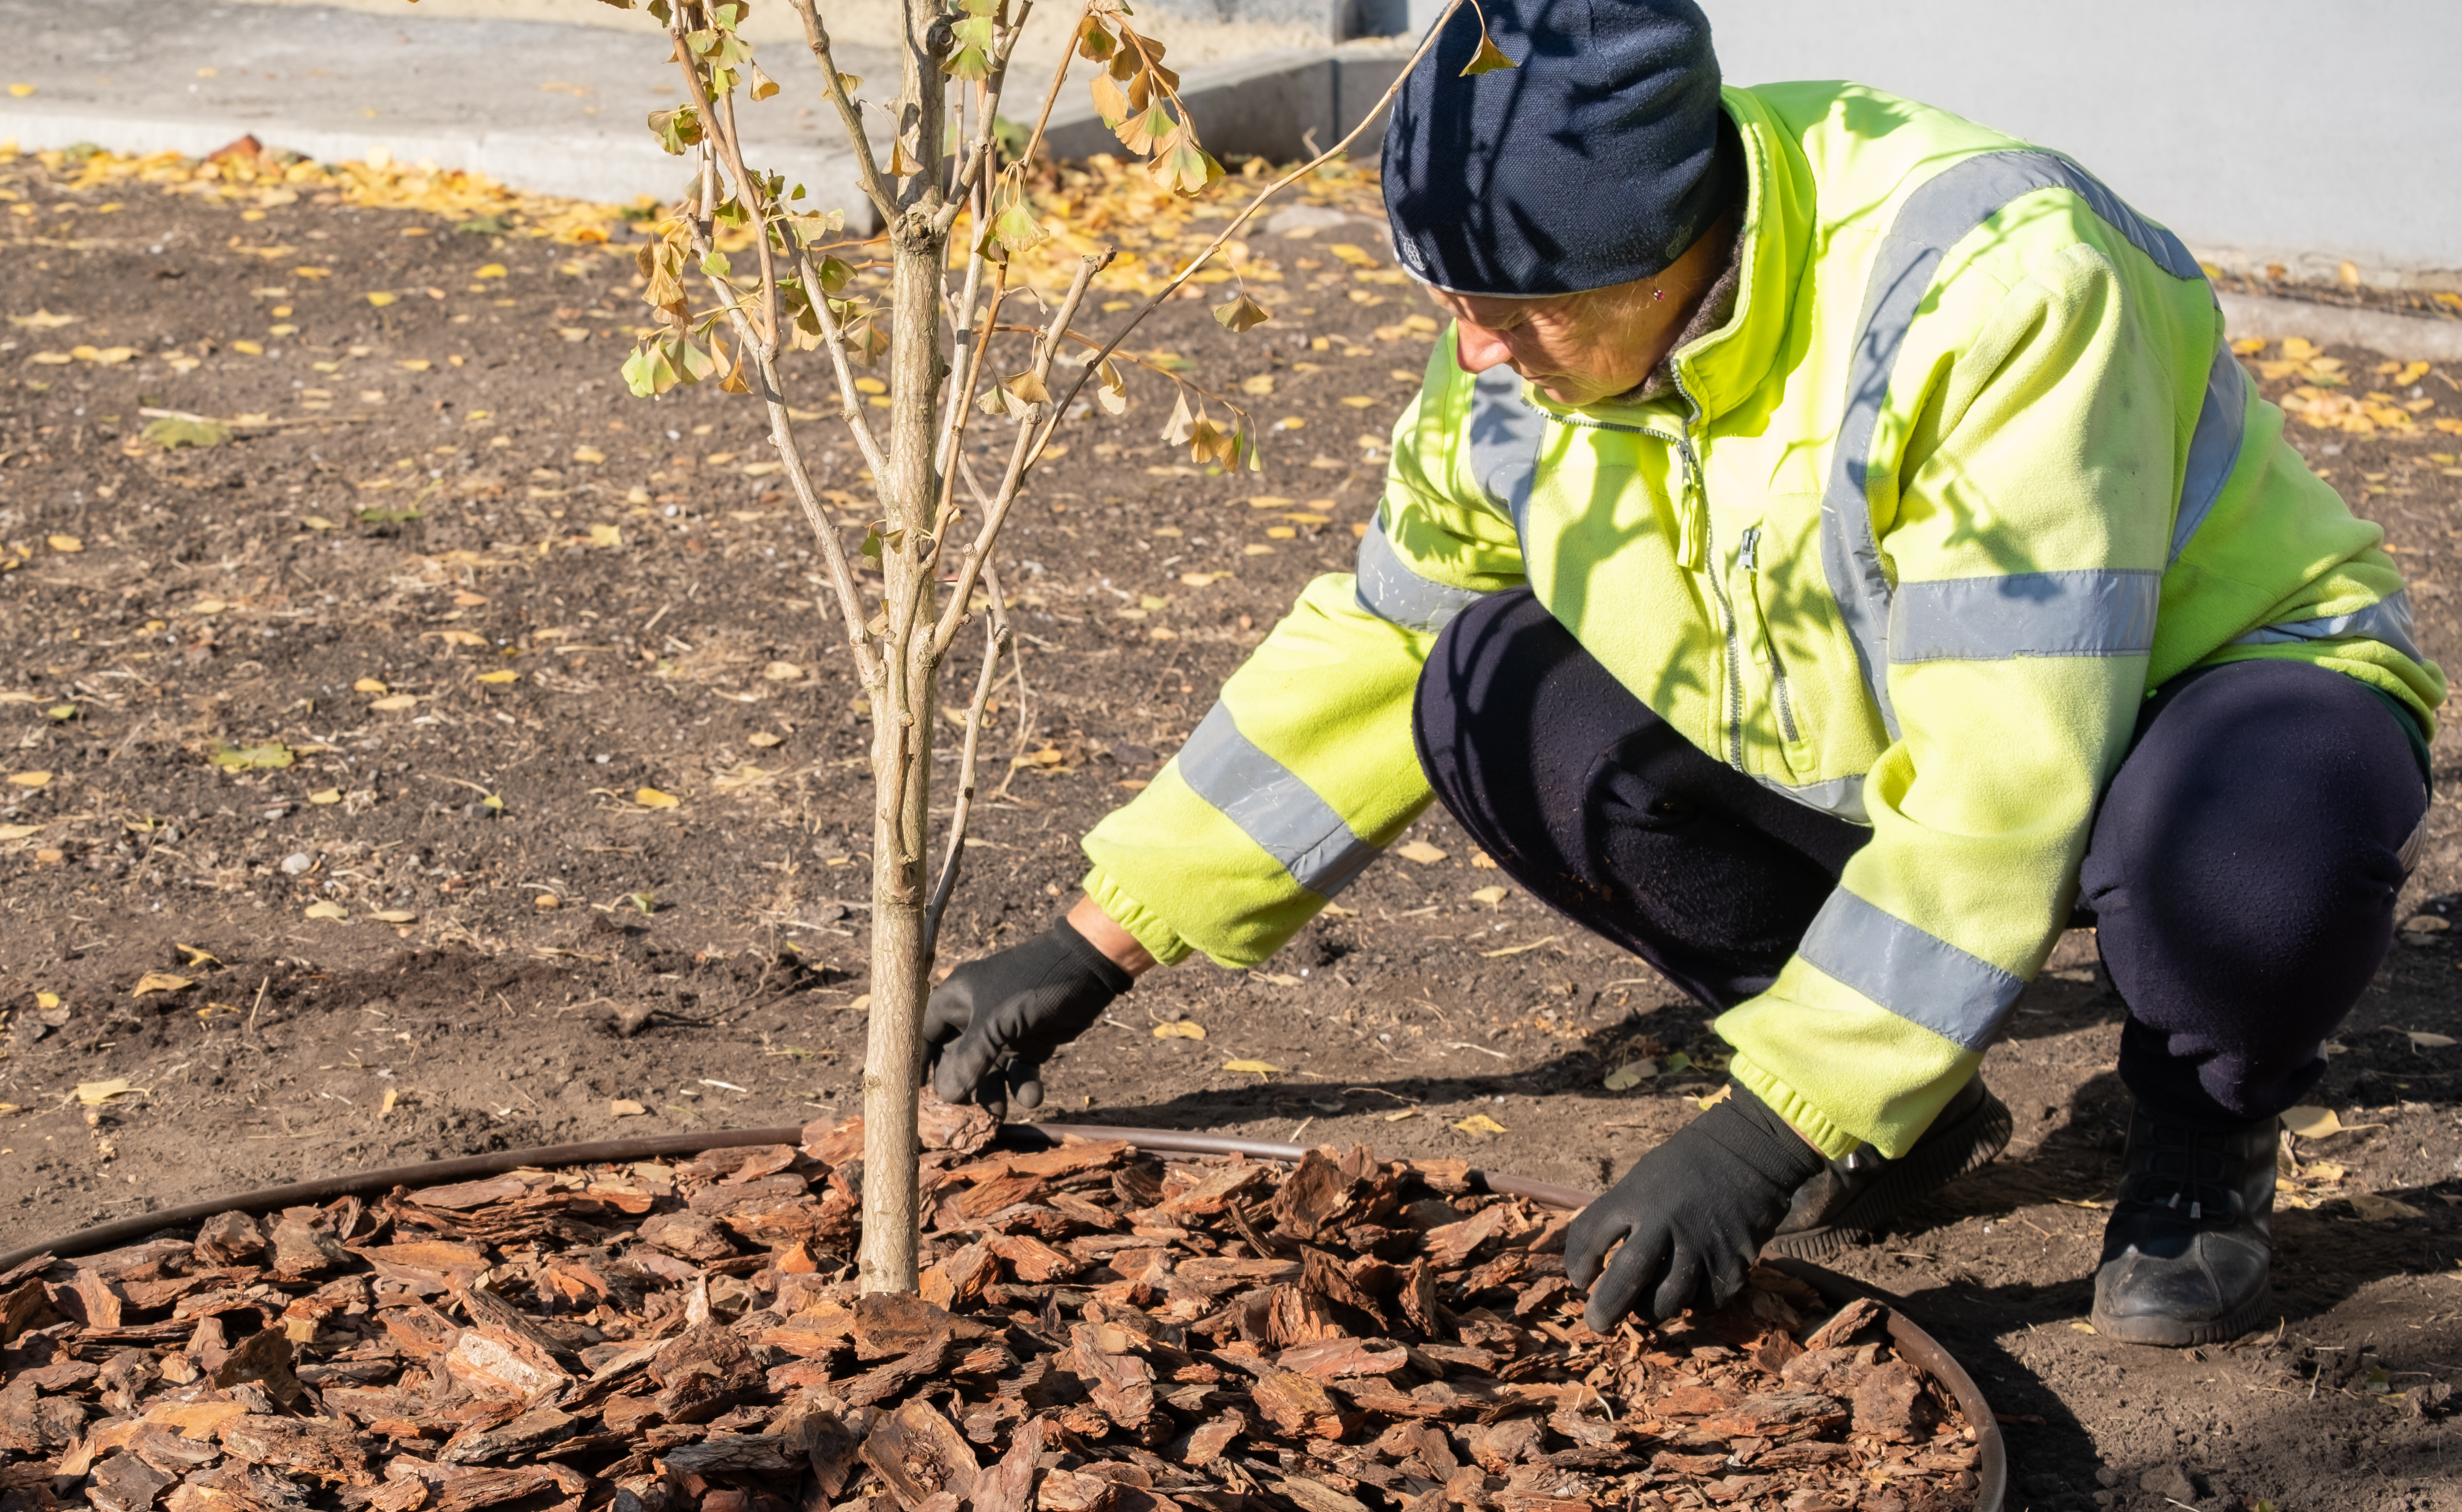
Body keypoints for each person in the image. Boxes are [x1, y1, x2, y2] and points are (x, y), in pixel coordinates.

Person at [921, 0, 2439, 1347]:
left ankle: (2201, 1140)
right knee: (1485, 687)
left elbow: (2006, 771)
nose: (1481, 353)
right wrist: (1091, 945)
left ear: (1677, 238)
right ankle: (1903, 1113)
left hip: (2196, 698)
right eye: (1448, 301)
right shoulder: (1520, 315)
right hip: (1871, 732)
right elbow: (1387, 637)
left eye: (1524, 314)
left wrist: (1763, 1133)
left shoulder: (1993, 294)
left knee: (2246, 861)